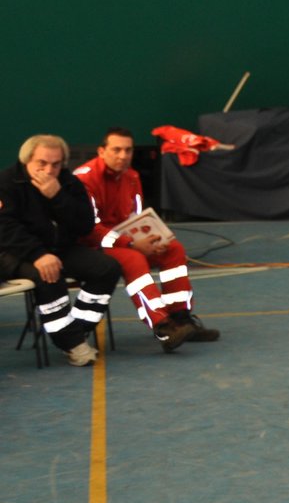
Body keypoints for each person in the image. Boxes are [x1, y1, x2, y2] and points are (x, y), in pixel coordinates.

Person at [74, 127, 219, 351]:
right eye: (116, 150)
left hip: (123, 240)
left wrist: (153, 238)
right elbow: (89, 229)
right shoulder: (84, 179)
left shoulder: (132, 177)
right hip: (92, 245)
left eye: (128, 150)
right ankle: (163, 326)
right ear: (101, 151)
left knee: (173, 249)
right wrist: (131, 243)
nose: (123, 156)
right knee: (134, 259)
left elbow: (137, 218)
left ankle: (180, 318)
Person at [0, 135, 121, 366]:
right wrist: (38, 255)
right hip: (13, 253)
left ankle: (78, 329)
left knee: (107, 268)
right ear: (27, 160)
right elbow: (5, 229)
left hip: (59, 249)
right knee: (48, 274)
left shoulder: (68, 183)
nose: (49, 170)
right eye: (42, 163)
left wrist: (57, 197)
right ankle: (73, 344)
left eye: (56, 164)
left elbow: (85, 225)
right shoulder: (5, 183)